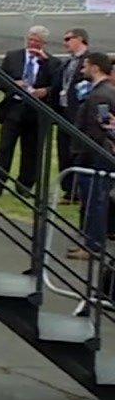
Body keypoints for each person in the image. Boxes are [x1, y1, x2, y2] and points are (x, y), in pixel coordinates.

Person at [0, 25, 56, 197]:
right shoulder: (13, 57)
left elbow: (56, 85)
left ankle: (25, 185)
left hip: (36, 111)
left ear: (44, 43)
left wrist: (45, 91)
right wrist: (13, 84)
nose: (33, 44)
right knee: (5, 148)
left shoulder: (52, 62)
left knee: (31, 150)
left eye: (37, 41)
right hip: (14, 109)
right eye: (31, 40)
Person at [68, 52, 115, 263]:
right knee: (95, 200)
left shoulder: (99, 95)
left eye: (85, 66)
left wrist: (86, 150)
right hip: (98, 154)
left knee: (95, 200)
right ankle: (91, 242)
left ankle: (93, 245)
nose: (82, 69)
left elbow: (101, 129)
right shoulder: (105, 91)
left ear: (95, 68)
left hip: (95, 156)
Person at [52, 29, 92, 203]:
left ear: (80, 39)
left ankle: (79, 190)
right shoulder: (68, 62)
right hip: (64, 113)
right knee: (64, 152)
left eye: (68, 39)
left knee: (78, 152)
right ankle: (69, 190)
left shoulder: (90, 61)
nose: (65, 42)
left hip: (79, 115)